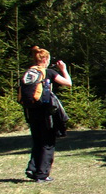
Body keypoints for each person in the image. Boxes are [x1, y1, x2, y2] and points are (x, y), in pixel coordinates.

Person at [23, 46, 72, 182]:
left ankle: (32, 169)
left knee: (37, 141)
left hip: (31, 111)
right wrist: (63, 70)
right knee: (48, 142)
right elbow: (68, 83)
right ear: (45, 59)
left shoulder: (28, 73)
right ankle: (42, 174)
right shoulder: (48, 72)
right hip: (46, 112)